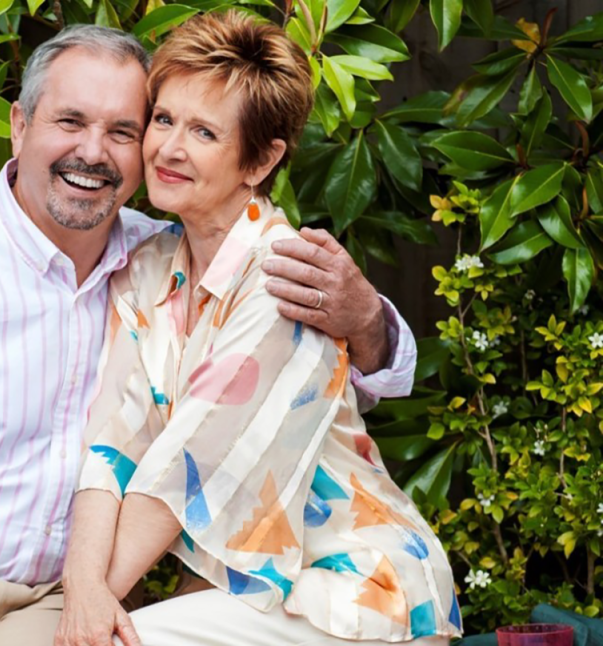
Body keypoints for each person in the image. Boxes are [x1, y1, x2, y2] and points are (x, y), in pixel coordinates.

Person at [0, 22, 418, 646]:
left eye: (123, 130)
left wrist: (366, 320)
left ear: (258, 158)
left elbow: (219, 445)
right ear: (18, 124)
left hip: (92, 595)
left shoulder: (207, 263)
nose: (95, 151)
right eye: (70, 121)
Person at [57, 12, 459, 646]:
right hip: (259, 594)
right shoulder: (146, 268)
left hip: (358, 589)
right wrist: (78, 590)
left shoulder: (284, 276)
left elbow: (184, 470)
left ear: (261, 159)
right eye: (164, 119)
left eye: (204, 132)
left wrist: (83, 616)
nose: (169, 148)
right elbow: (112, 446)